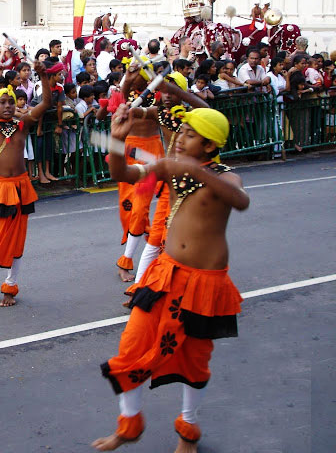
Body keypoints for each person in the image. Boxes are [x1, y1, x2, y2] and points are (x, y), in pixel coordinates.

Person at [92, 103, 248, 453]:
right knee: (131, 345)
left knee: (194, 360)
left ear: (209, 146)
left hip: (205, 286)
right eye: (180, 131)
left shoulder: (224, 176)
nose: (179, 137)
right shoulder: (166, 168)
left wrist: (192, 169)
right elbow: (125, 174)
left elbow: (241, 200)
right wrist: (117, 141)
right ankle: (129, 425)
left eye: (190, 135)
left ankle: (188, 432)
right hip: (164, 276)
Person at [0, 61, 53, 307]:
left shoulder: (22, 124)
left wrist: (43, 75)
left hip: (21, 187)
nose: (7, 106)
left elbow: (46, 104)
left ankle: (10, 287)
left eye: (11, 102)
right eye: (2, 103)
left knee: (17, 240)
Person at [123, 72, 210, 299]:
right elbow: (134, 110)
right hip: (170, 184)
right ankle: (138, 291)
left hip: (189, 186)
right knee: (154, 241)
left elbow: (207, 107)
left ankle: (184, 289)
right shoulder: (158, 112)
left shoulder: (194, 118)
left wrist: (181, 92)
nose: (168, 97)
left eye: (173, 92)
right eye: (165, 91)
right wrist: (125, 107)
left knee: (180, 241)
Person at [112, 60, 164, 282]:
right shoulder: (125, 93)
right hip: (131, 150)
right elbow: (122, 96)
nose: (137, 75)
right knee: (132, 208)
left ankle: (132, 257)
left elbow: (152, 110)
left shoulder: (159, 95)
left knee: (153, 205)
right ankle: (132, 256)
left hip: (153, 151)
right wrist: (129, 71)